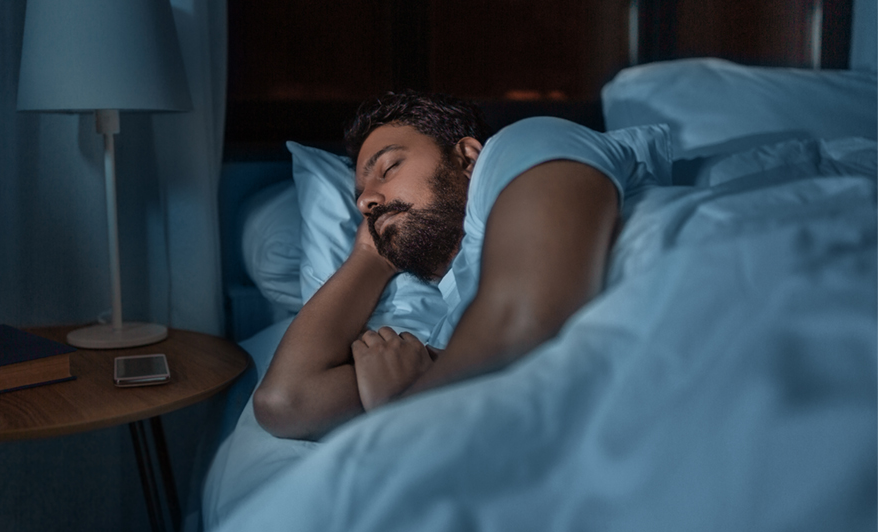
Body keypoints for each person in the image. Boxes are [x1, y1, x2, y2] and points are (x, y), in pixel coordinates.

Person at [254, 90, 658, 440]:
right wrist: (368, 260)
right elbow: (285, 401)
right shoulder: (454, 326)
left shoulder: (523, 144)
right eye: (361, 196)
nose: (366, 202)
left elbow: (528, 321)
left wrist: (400, 409)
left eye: (389, 167)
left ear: (466, 157)